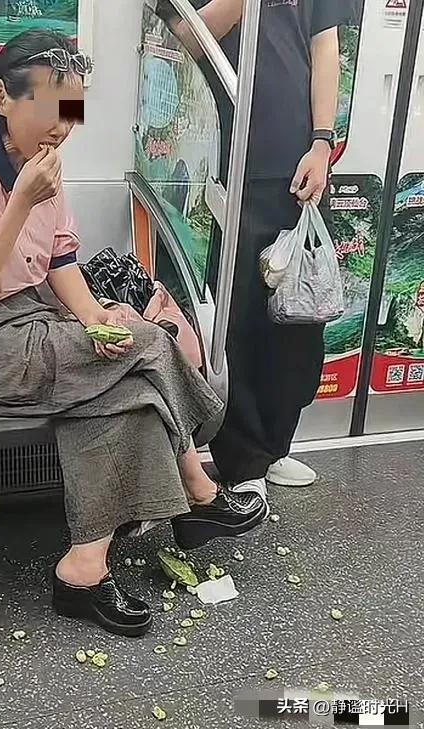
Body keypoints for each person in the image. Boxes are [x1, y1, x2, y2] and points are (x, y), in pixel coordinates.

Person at [0, 30, 267, 638]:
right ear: (1, 98)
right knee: (151, 342)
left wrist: (94, 317)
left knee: (130, 387)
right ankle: (198, 487)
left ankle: (84, 567)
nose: (62, 127)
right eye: (50, 108)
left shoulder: (43, 164)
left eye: (72, 112)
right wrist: (20, 202)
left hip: (30, 315)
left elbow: (61, 259)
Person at [170, 0, 352, 496]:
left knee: (299, 318)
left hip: (298, 162)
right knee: (241, 318)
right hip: (227, 161)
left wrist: (322, 142)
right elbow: (184, 37)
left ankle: (276, 445)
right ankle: (243, 459)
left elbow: (325, 46)